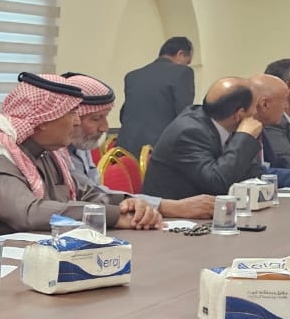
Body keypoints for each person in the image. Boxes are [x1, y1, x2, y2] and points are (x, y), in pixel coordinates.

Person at [0, 72, 160, 232]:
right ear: (42, 120)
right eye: (71, 113)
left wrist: (127, 205)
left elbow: (83, 194)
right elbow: (29, 213)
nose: (77, 121)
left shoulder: (47, 153)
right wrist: (113, 217)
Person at [62, 72, 214, 219]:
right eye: (96, 118)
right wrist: (172, 207)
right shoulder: (57, 150)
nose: (105, 128)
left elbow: (96, 195)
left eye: (105, 117)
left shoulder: (80, 143)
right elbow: (89, 199)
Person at [141, 77, 269, 200]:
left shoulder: (221, 124)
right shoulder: (189, 132)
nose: (257, 113)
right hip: (172, 212)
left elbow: (251, 173)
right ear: (239, 115)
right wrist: (244, 137)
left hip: (207, 207)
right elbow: (217, 183)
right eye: (255, 107)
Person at [116, 36, 195, 156]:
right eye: (187, 62)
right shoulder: (182, 72)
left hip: (124, 152)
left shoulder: (132, 76)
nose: (187, 65)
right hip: (160, 152)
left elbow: (124, 115)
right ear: (180, 54)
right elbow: (183, 115)